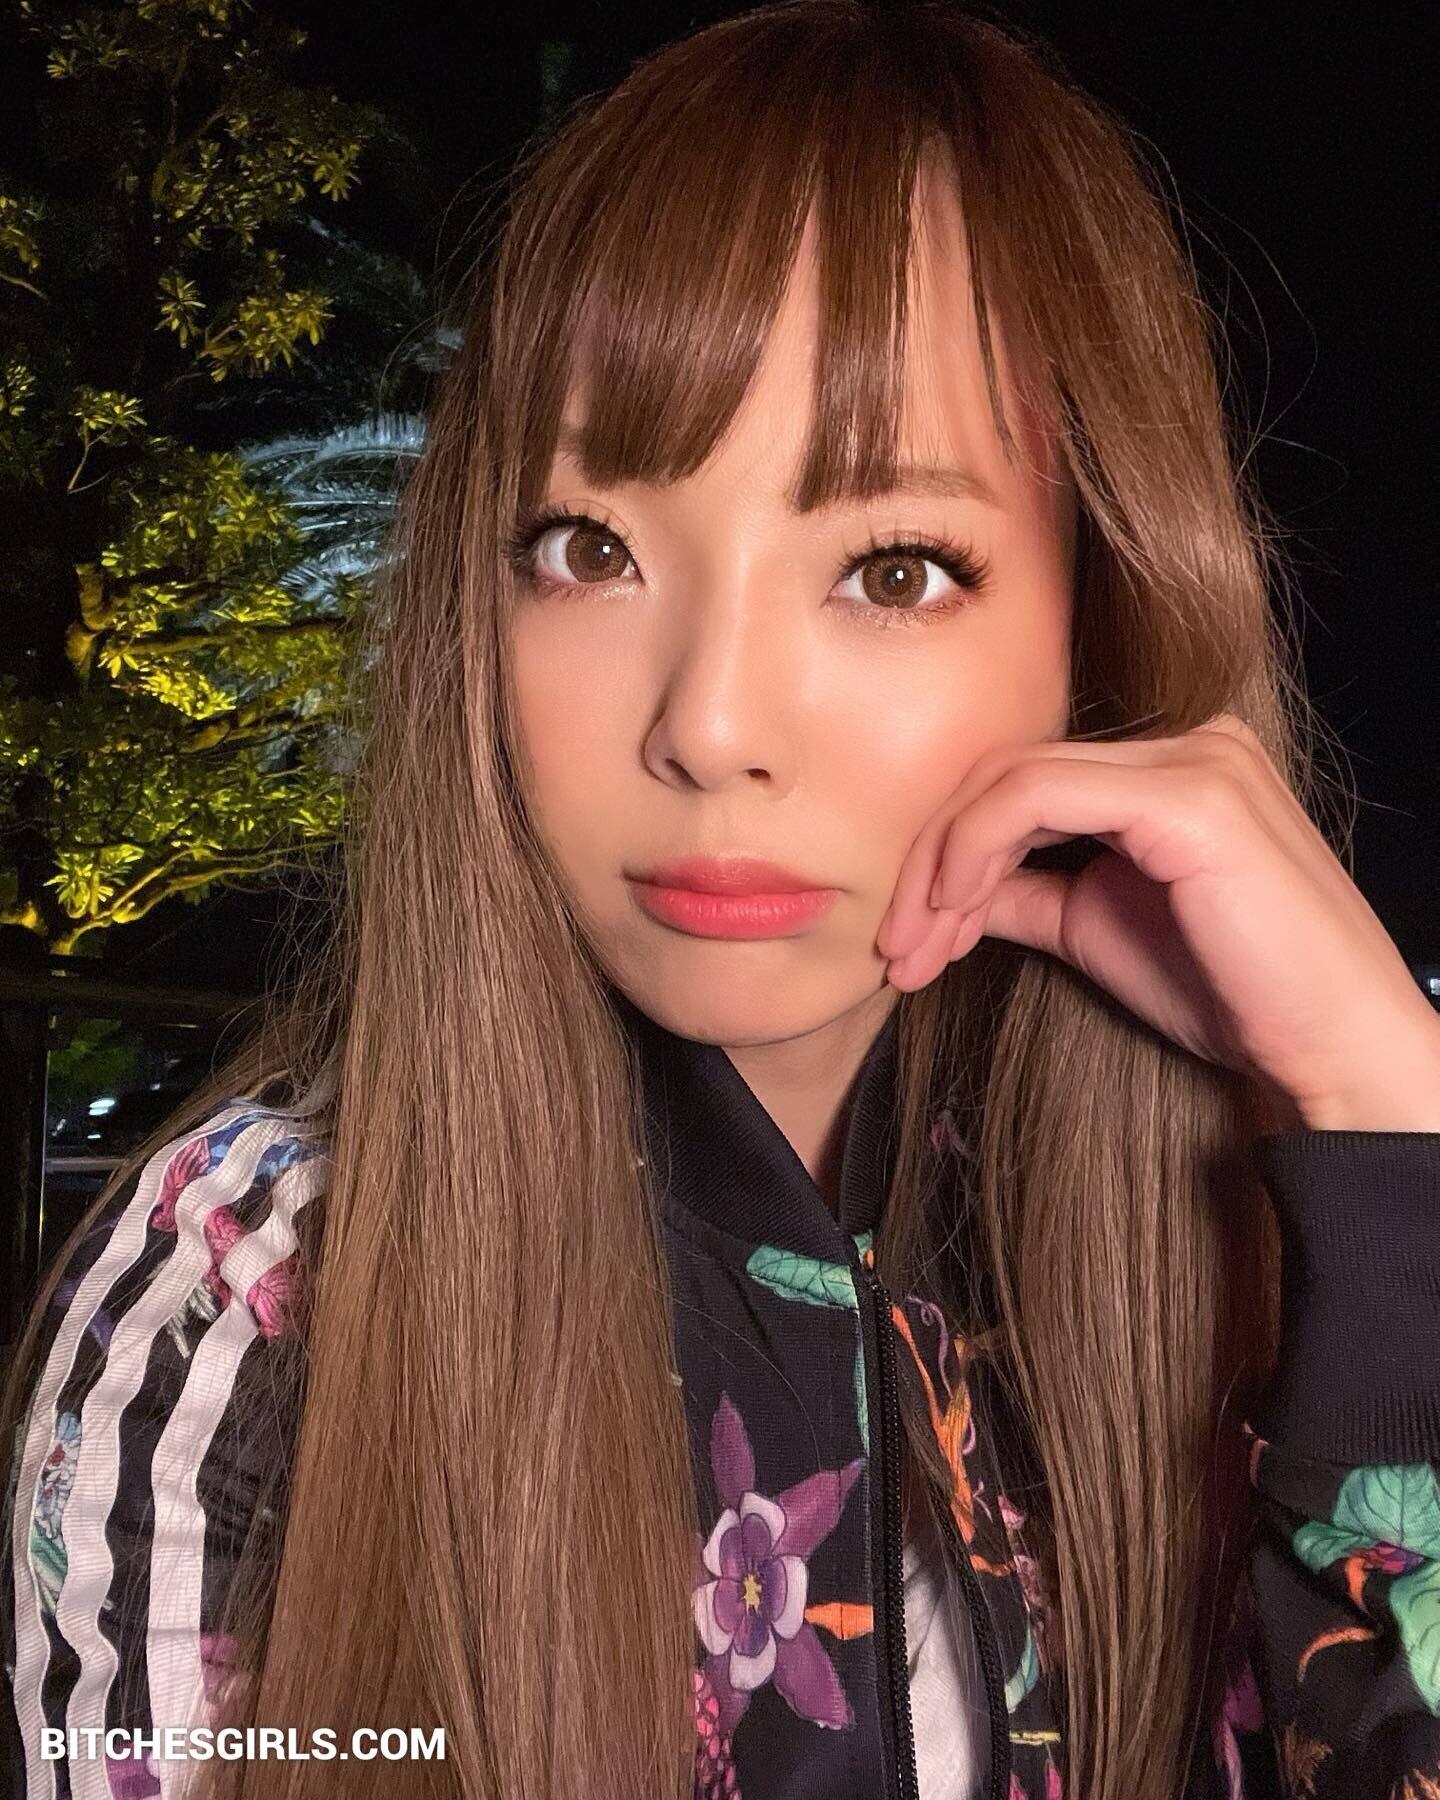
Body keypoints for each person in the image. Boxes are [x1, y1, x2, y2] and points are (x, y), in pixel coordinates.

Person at [3, 4, 1438, 1797]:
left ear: (1103, 629)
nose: (710, 724)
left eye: (893, 568)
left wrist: (1387, 1113)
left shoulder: (1257, 1247)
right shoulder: (263, 1295)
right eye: (588, 548)